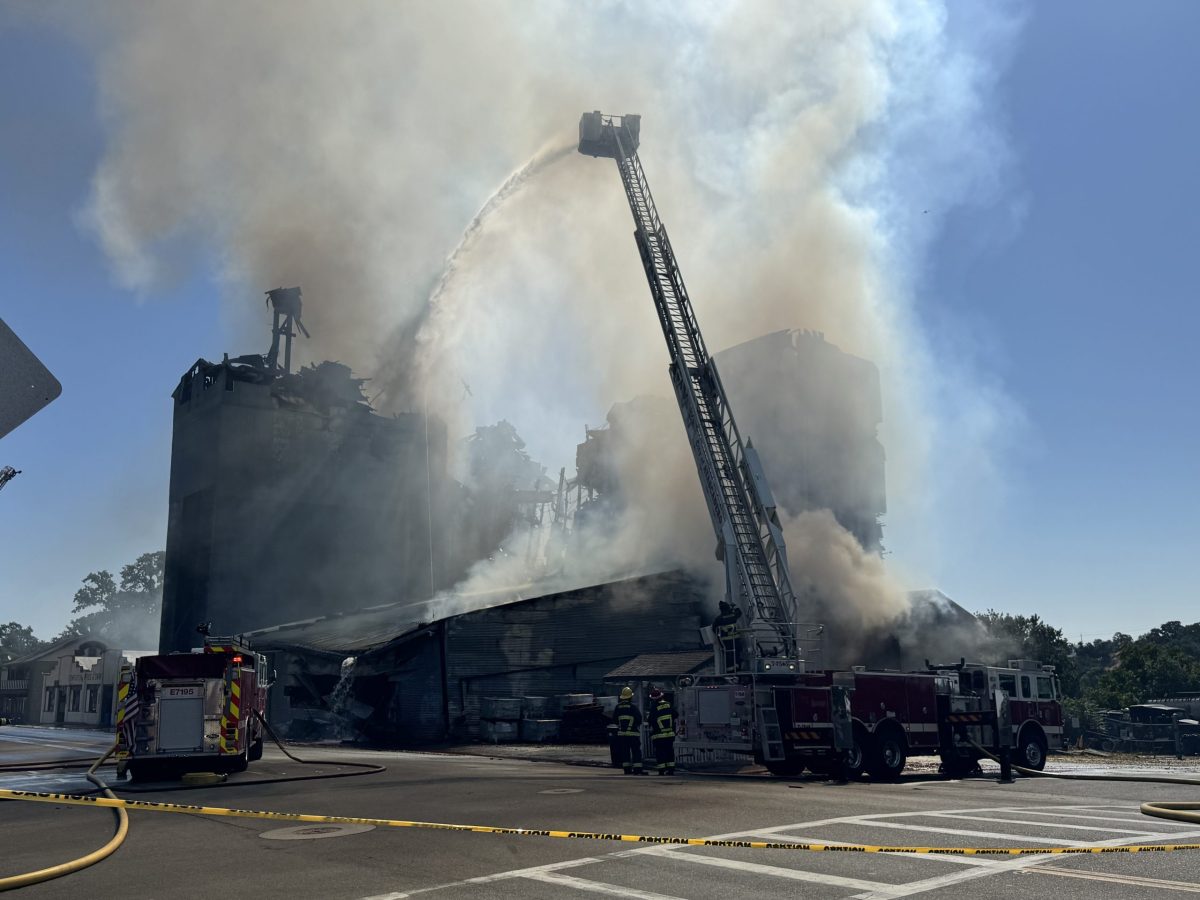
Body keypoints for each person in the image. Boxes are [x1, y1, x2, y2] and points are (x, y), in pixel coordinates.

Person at [614, 686, 645, 775]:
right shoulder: (633, 707)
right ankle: (637, 770)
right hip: (633, 734)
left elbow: (615, 720)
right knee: (636, 751)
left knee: (625, 752)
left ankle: (627, 769)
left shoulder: (618, 707)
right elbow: (639, 719)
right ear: (630, 697)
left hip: (622, 735)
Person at [648, 687, 676, 775]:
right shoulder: (669, 704)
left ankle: (661, 770)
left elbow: (650, 720)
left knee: (660, 752)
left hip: (658, 735)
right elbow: (676, 714)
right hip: (670, 734)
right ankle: (671, 770)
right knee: (669, 751)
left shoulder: (654, 707)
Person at [713, 601, 742, 671]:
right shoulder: (733, 615)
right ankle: (737, 666)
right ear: (728, 607)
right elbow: (739, 612)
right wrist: (734, 607)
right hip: (736, 638)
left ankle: (729, 668)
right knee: (737, 652)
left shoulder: (719, 619)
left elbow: (714, 628)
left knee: (728, 653)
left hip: (725, 640)